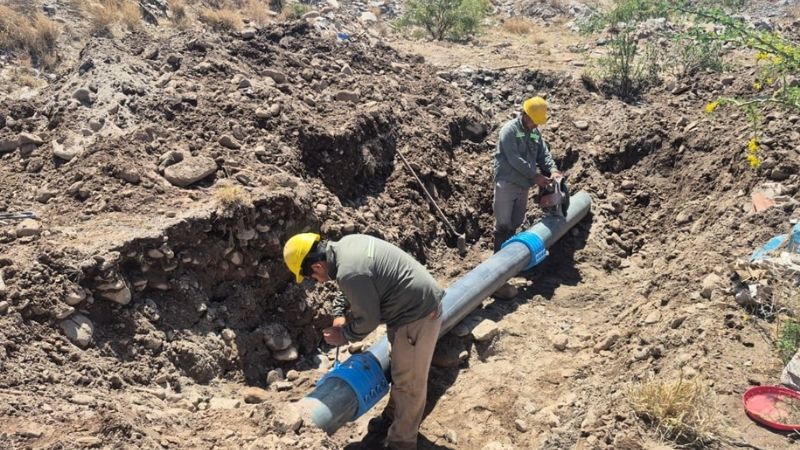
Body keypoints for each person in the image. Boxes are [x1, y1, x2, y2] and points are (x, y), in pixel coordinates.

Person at [283, 232, 444, 450]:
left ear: (317, 267)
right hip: (406, 307)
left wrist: (344, 335)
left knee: (410, 383)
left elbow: (368, 320)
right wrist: (340, 311)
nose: (317, 282)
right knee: (400, 368)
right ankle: (390, 418)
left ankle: (401, 443)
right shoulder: (345, 248)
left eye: (312, 277)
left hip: (417, 314)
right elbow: (355, 286)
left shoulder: (350, 272)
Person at [493, 96, 561, 252]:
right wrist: (535, 176)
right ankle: (497, 261)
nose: (536, 124)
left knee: (516, 222)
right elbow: (514, 159)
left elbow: (543, 154)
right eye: (534, 120)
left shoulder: (535, 132)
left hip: (524, 184)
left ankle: (511, 259)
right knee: (503, 224)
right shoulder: (509, 131)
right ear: (525, 115)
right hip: (507, 183)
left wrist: (553, 170)